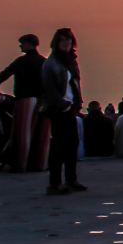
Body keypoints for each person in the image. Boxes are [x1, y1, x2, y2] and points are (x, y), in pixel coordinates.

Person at [0, 34, 48, 173]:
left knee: (22, 133)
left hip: (25, 99)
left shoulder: (22, 61)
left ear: (30, 44)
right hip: (42, 101)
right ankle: (39, 163)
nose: (20, 46)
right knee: (40, 134)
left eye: (22, 43)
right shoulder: (43, 61)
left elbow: (6, 73)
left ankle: (21, 164)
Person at [42, 28, 84, 195]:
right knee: (58, 146)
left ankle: (71, 179)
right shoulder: (51, 63)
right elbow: (50, 89)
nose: (66, 42)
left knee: (73, 143)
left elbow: (75, 83)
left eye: (68, 39)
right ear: (56, 43)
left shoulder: (71, 61)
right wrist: (64, 105)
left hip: (70, 106)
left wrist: (77, 102)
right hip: (59, 108)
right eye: (62, 40)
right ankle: (54, 183)